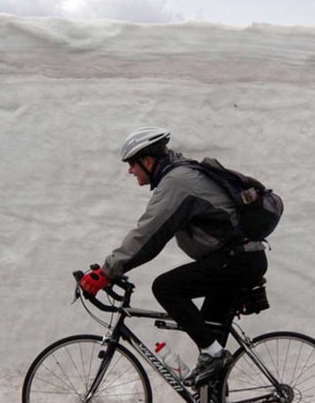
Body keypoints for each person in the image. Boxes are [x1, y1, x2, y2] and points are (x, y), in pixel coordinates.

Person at [80, 126, 268, 387]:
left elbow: (148, 234)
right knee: (210, 336)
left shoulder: (177, 183)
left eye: (132, 165)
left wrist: (108, 271)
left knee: (166, 287)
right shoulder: (180, 177)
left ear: (147, 161)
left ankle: (214, 354)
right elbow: (152, 237)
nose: (129, 171)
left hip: (236, 261)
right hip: (236, 260)